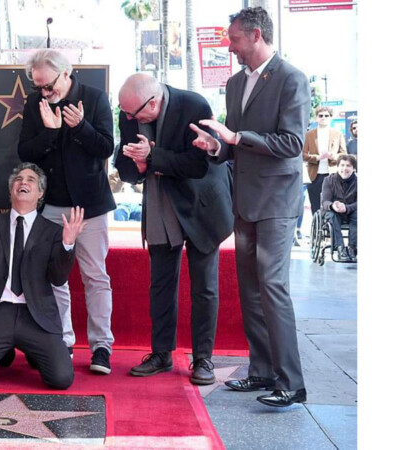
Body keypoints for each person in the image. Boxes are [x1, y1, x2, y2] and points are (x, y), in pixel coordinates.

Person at [189, 7, 310, 407]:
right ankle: (261, 372)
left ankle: (291, 382)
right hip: (243, 200)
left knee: (272, 287)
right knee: (251, 290)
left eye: (235, 39)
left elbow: (292, 144)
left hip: (277, 201)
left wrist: (236, 138)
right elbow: (233, 144)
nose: (230, 47)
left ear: (256, 35)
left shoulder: (291, 78)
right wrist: (216, 146)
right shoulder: (235, 82)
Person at [114, 73, 233, 385]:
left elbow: (198, 165)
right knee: (161, 284)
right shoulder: (129, 111)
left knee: (204, 286)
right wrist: (139, 167)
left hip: (200, 203)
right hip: (160, 203)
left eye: (133, 113)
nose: (129, 119)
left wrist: (152, 158)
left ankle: (203, 358)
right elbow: (124, 164)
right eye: (126, 113)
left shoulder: (193, 105)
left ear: (153, 103)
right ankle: (161, 353)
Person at [17, 49, 116, 374]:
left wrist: (80, 127)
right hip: (52, 205)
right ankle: (62, 341)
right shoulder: (36, 104)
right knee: (55, 278)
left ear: (65, 73)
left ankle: (101, 347)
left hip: (91, 204)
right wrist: (49, 131)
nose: (44, 92)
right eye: (38, 87)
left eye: (48, 86)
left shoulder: (95, 98)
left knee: (95, 276)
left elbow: (106, 148)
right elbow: (24, 152)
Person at [0, 163, 85, 389]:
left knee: (61, 379)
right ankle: (5, 350)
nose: (23, 182)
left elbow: (58, 278)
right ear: (11, 190)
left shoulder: (53, 231)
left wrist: (68, 245)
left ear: (40, 193)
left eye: (31, 180)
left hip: (36, 316)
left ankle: (30, 351)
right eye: (18, 179)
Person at [303, 106, 347, 214]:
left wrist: (333, 156)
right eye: (320, 115)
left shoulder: (337, 134)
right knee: (315, 207)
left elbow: (344, 154)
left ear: (330, 117)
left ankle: (331, 224)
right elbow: (303, 155)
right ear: (316, 118)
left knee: (334, 206)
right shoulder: (309, 135)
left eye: (326, 115)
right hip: (314, 176)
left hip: (332, 174)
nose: (323, 118)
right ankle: (318, 225)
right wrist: (317, 157)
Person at [321, 154, 357, 261]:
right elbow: (325, 201)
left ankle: (352, 248)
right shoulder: (328, 180)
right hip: (333, 211)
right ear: (337, 167)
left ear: (353, 168)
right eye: (342, 165)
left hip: (351, 211)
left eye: (348, 166)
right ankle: (340, 247)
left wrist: (347, 208)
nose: (344, 168)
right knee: (332, 216)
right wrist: (333, 206)